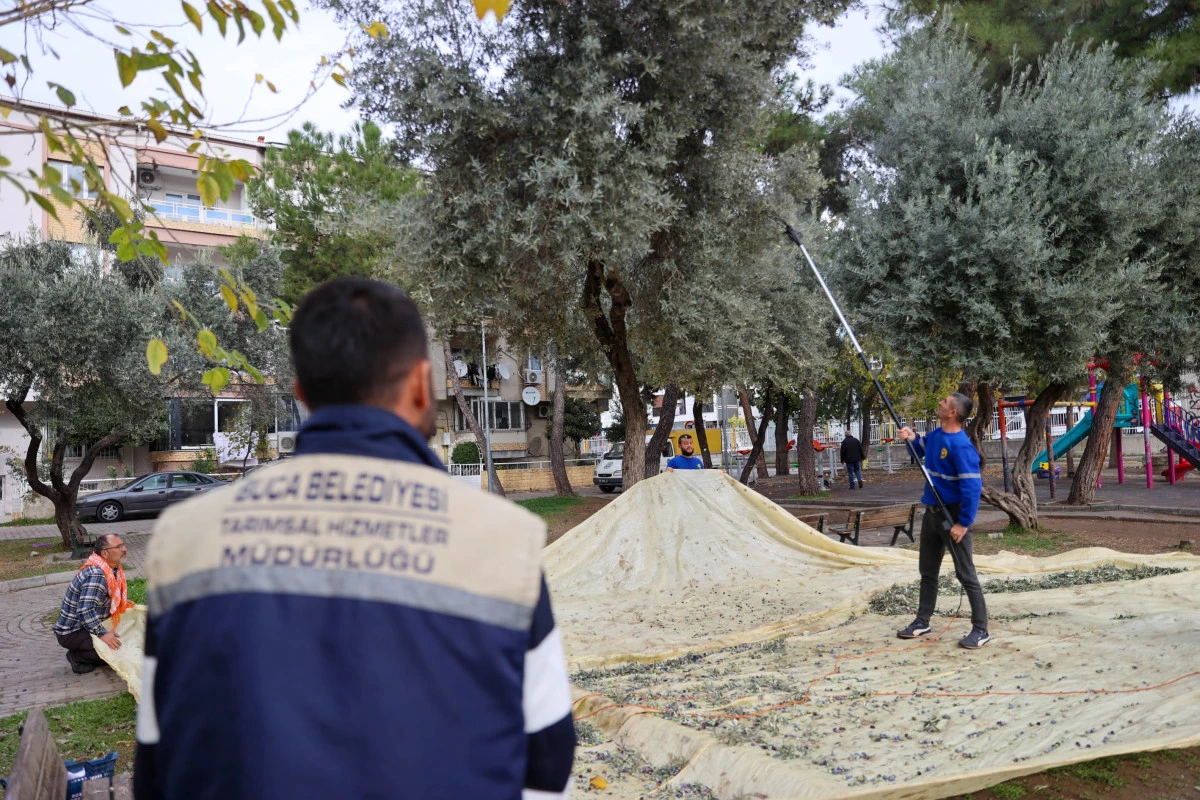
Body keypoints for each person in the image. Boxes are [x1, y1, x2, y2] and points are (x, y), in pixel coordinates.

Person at [135, 278, 575, 799]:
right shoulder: (504, 542)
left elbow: (156, 767)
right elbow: (547, 772)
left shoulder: (184, 539)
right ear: (419, 384)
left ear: (301, 396)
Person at [895, 392, 989, 650]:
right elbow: (921, 449)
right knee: (927, 571)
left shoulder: (961, 446)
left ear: (953, 413)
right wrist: (911, 439)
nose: (940, 402)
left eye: (945, 402)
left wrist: (963, 523)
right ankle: (922, 620)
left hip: (953, 515)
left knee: (966, 574)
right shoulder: (937, 436)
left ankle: (981, 629)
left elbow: (972, 488)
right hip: (932, 514)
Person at [54, 534, 132, 675]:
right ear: (105, 553)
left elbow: (104, 597)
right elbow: (85, 610)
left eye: (123, 545)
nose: (124, 549)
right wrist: (103, 634)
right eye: (119, 547)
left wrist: (122, 603)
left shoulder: (111, 568)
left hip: (86, 625)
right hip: (72, 632)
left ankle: (87, 648)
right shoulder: (97, 574)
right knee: (116, 652)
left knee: (126, 640)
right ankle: (77, 657)